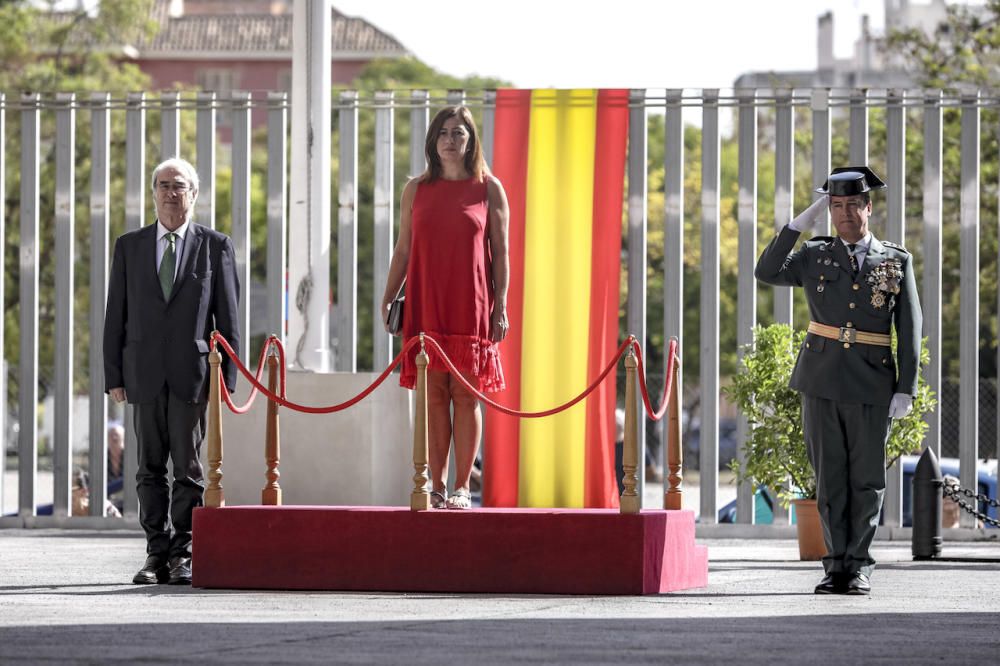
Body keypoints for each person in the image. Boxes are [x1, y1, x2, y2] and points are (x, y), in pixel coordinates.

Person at [754, 166, 922, 596]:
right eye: (836, 206)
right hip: (823, 380)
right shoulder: (814, 255)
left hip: (871, 382)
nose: (845, 214)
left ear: (868, 207)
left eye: (852, 205)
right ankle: (834, 567)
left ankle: (859, 565)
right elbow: (767, 271)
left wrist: (906, 387)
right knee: (829, 478)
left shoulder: (895, 259)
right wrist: (796, 225)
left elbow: (909, 324)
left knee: (866, 480)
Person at [103, 157, 241, 585]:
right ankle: (154, 555)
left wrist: (228, 381)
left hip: (192, 377)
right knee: (147, 470)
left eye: (179, 186)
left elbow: (228, 319)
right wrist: (114, 376)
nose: (169, 193)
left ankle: (184, 553)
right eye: (162, 185)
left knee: (188, 470)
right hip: (142, 375)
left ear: (194, 194)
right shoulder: (130, 245)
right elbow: (116, 316)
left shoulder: (214, 245)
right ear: (153, 192)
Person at [381, 106, 510, 510]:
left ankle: (461, 487)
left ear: (471, 141)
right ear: (432, 142)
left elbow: (501, 253)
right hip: (425, 300)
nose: (450, 140)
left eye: (459, 133)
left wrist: (500, 305)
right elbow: (404, 248)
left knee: (466, 395)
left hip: (471, 301)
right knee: (432, 393)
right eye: (443, 133)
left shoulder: (489, 189)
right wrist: (388, 296)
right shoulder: (415, 189)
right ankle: (435, 486)